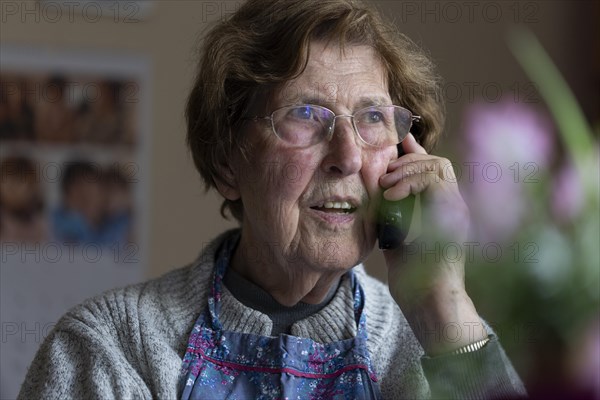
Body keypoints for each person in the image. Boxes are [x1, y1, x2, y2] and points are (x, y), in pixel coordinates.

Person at [18, 0, 527, 398]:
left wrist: (445, 312)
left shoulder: (430, 346)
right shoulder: (109, 352)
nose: (347, 157)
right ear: (226, 162)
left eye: (373, 118)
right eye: (306, 115)